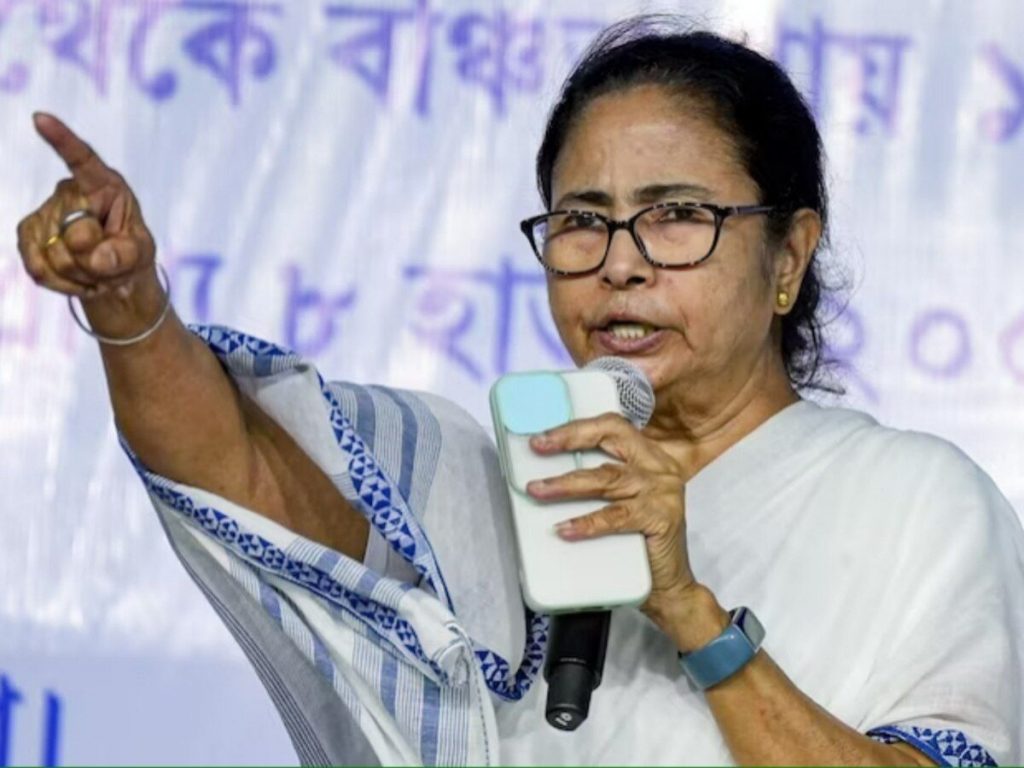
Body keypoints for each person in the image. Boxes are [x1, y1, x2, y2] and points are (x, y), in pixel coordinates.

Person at [16, 15, 1024, 767]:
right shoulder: (493, 482)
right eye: (581, 221)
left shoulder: (915, 502)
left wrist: (689, 614)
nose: (618, 263)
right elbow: (236, 470)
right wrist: (128, 305)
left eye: (675, 215)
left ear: (788, 257)